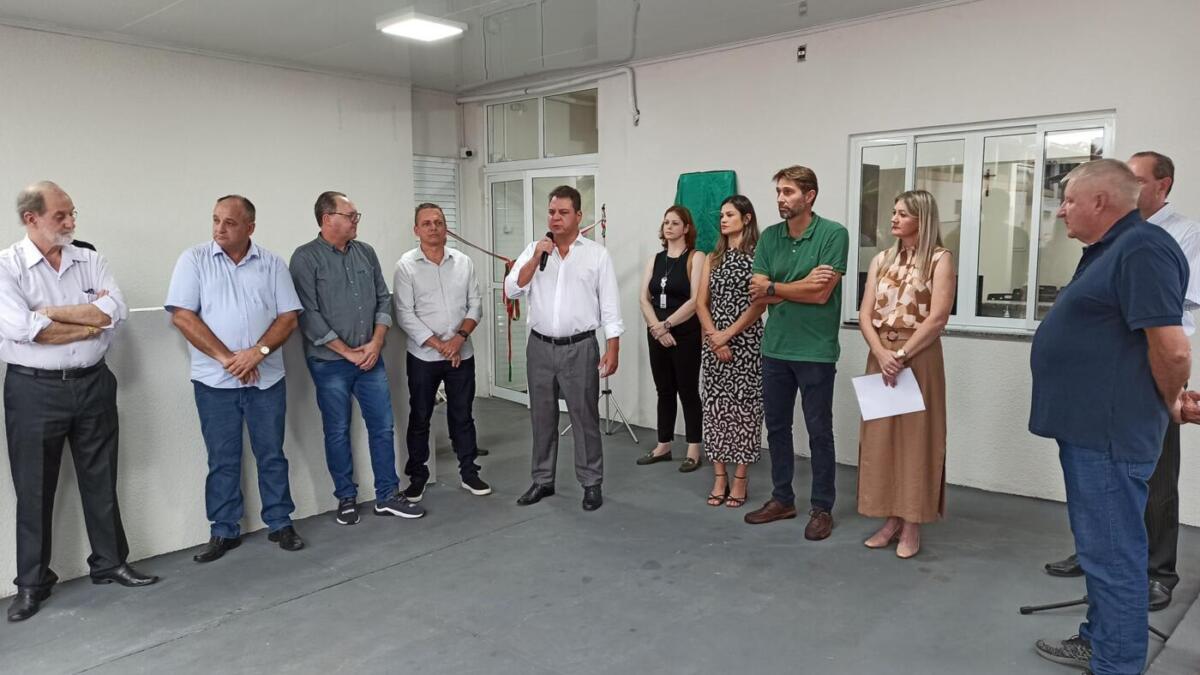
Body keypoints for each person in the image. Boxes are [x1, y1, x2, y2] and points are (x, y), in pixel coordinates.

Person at [1030, 159, 1190, 675]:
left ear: (1101, 201)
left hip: (1109, 436)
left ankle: (1116, 664)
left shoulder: (1142, 247)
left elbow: (1173, 347)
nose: (1061, 211)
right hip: (1092, 433)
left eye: (1069, 200)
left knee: (1114, 558)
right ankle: (1098, 642)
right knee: (1103, 554)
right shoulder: (1112, 250)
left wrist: (1170, 399)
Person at [1, 182, 158, 622]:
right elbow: (22, 330)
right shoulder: (7, 267)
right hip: (33, 391)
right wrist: (88, 321)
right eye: (61, 215)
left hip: (93, 383)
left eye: (73, 213)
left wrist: (50, 314)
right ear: (31, 218)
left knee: (101, 478)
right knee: (34, 488)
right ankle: (32, 583)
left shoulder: (90, 259)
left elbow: (115, 313)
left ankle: (110, 563)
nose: (71, 222)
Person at [165, 195, 306, 563]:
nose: (219, 228)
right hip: (215, 382)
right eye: (215, 220)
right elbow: (182, 316)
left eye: (229, 222)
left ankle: (280, 522)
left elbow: (288, 318)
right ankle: (224, 529)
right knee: (222, 458)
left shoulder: (272, 263)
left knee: (271, 454)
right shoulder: (194, 260)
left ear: (250, 227)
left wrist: (257, 353)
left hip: (266, 380)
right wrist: (229, 359)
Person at [290, 191, 424, 525]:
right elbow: (308, 314)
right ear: (327, 219)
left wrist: (376, 343)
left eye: (355, 215)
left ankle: (387, 496)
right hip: (329, 363)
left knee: (382, 427)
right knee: (337, 431)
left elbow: (383, 298)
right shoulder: (305, 258)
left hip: (370, 359)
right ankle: (346, 497)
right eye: (350, 215)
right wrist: (347, 352)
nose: (355, 221)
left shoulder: (366, 253)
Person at [744, 166, 849, 540]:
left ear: (810, 195)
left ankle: (822, 508)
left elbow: (821, 293)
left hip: (816, 351)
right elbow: (756, 292)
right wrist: (795, 285)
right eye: (778, 192)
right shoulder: (770, 237)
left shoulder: (833, 234)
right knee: (776, 427)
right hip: (775, 348)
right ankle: (782, 499)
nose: (780, 199)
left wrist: (775, 287)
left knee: (819, 431)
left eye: (788, 192)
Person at [504, 185, 623, 511]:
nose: (555, 218)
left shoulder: (596, 255)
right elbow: (512, 289)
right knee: (541, 417)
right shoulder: (535, 250)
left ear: (578, 216)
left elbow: (610, 306)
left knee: (584, 418)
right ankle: (542, 480)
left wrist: (613, 347)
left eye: (563, 212)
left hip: (579, 347)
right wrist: (536, 258)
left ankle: (591, 482)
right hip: (540, 347)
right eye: (551, 212)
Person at [856, 190, 954, 559]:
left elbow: (937, 318)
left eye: (902, 214)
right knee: (881, 440)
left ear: (922, 219)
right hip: (881, 355)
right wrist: (881, 353)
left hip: (918, 356)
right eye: (893, 212)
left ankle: (912, 523)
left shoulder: (940, 259)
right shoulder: (882, 259)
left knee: (917, 440)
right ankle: (891, 519)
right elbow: (865, 313)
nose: (894, 219)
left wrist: (901, 355)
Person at [393, 202, 491, 502]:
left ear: (446, 227)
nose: (434, 227)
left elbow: (476, 305)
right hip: (424, 357)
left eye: (438, 222)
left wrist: (458, 340)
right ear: (416, 230)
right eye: (427, 223)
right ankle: (418, 477)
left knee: (462, 414)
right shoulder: (406, 266)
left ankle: (469, 472)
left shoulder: (463, 262)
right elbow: (404, 314)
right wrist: (441, 346)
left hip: (462, 353)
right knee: (421, 416)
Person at [696, 196, 765, 507]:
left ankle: (740, 478)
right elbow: (701, 303)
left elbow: (759, 304)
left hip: (747, 343)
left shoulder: (759, 256)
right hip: (714, 343)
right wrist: (716, 338)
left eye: (730, 215)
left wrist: (728, 335)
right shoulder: (713, 258)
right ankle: (719, 476)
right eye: (721, 215)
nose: (723, 220)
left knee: (745, 410)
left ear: (746, 218)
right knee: (715, 410)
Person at [636, 205, 705, 472]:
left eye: (675, 223)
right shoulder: (655, 259)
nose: (669, 227)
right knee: (664, 390)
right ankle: (663, 445)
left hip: (684, 333)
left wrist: (666, 325)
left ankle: (693, 449)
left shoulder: (696, 257)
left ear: (686, 228)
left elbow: (695, 300)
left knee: (687, 390)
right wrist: (657, 328)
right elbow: (644, 298)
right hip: (657, 332)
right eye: (666, 222)